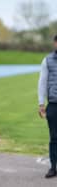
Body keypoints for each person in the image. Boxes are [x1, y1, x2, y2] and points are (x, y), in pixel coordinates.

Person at [38, 35, 57, 178]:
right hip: (53, 105)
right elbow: (42, 82)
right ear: (55, 43)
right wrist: (41, 103)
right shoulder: (47, 60)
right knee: (54, 138)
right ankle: (53, 167)